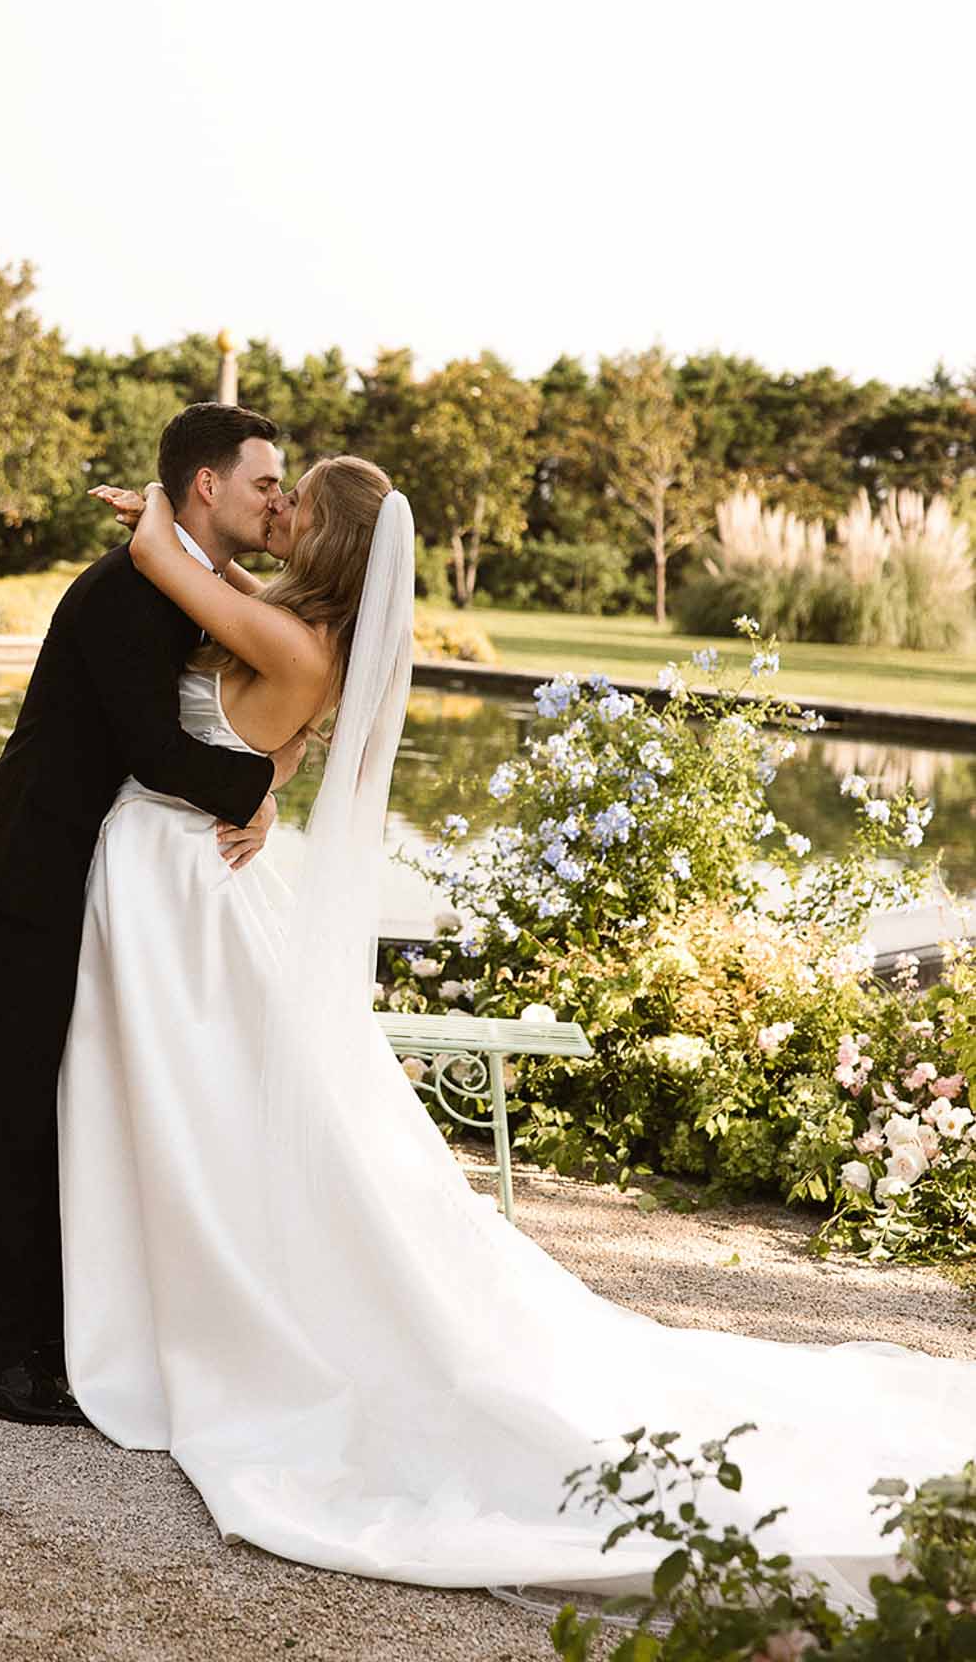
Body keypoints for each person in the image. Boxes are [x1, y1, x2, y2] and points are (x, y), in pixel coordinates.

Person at [60, 460, 976, 1607]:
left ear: (327, 539)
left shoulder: (289, 641)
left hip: (183, 888)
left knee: (203, 1108)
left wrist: (155, 509)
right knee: (208, 1106)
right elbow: (262, 727)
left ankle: (199, 1304)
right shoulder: (305, 634)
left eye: (293, 499)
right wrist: (266, 778)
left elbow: (165, 564)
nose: (276, 507)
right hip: (196, 878)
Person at [0, 403, 309, 1425]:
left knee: (53, 1107)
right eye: (261, 483)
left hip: (75, 871)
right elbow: (152, 748)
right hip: (26, 871)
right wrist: (261, 788)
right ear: (205, 486)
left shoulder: (168, 576)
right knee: (11, 1111)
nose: (274, 498)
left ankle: (48, 1334)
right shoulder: (128, 592)